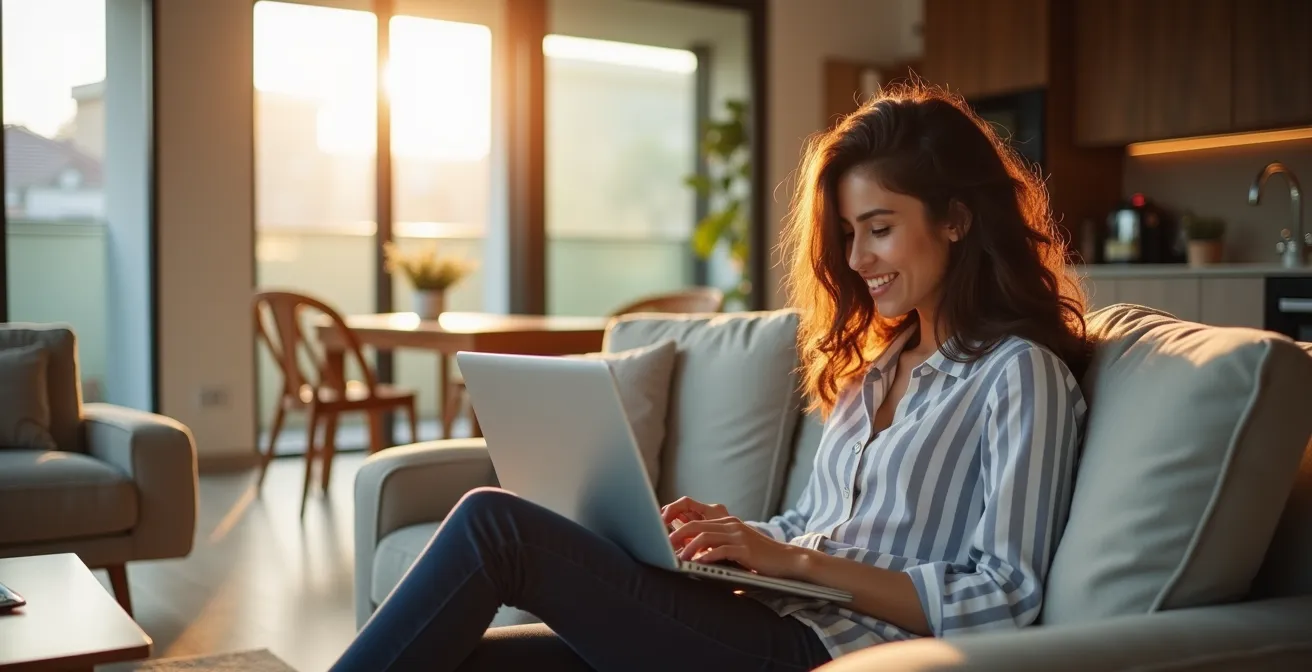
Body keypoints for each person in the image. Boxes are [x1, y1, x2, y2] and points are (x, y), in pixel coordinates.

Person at [329, 82, 1090, 672]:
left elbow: (1005, 597)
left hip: (825, 652)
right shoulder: (878, 368)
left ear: (955, 218)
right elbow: (819, 522)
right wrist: (737, 538)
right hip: (762, 621)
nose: (858, 260)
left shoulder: (1019, 375)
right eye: (848, 234)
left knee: (494, 526)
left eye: (880, 229)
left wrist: (790, 560)